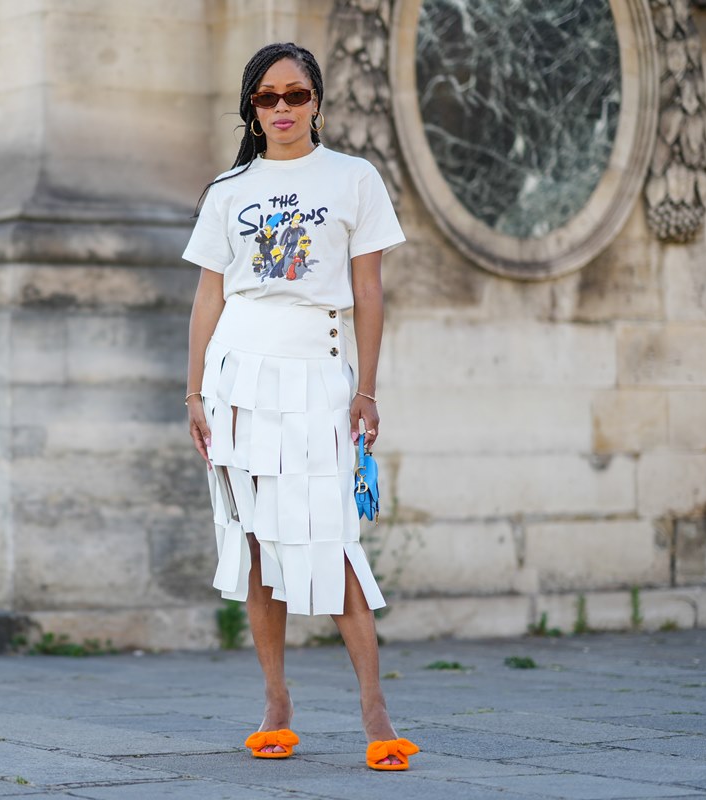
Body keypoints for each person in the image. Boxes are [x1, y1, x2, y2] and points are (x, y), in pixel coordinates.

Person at [182, 42, 419, 772]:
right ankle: (276, 701)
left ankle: (374, 708)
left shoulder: (354, 178)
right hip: (238, 379)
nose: (281, 109)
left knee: (330, 536)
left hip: (318, 375)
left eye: (295, 95)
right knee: (255, 541)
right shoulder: (228, 188)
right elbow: (208, 297)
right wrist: (193, 392)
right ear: (251, 109)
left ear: (317, 100)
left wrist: (368, 389)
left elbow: (370, 292)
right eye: (266, 98)